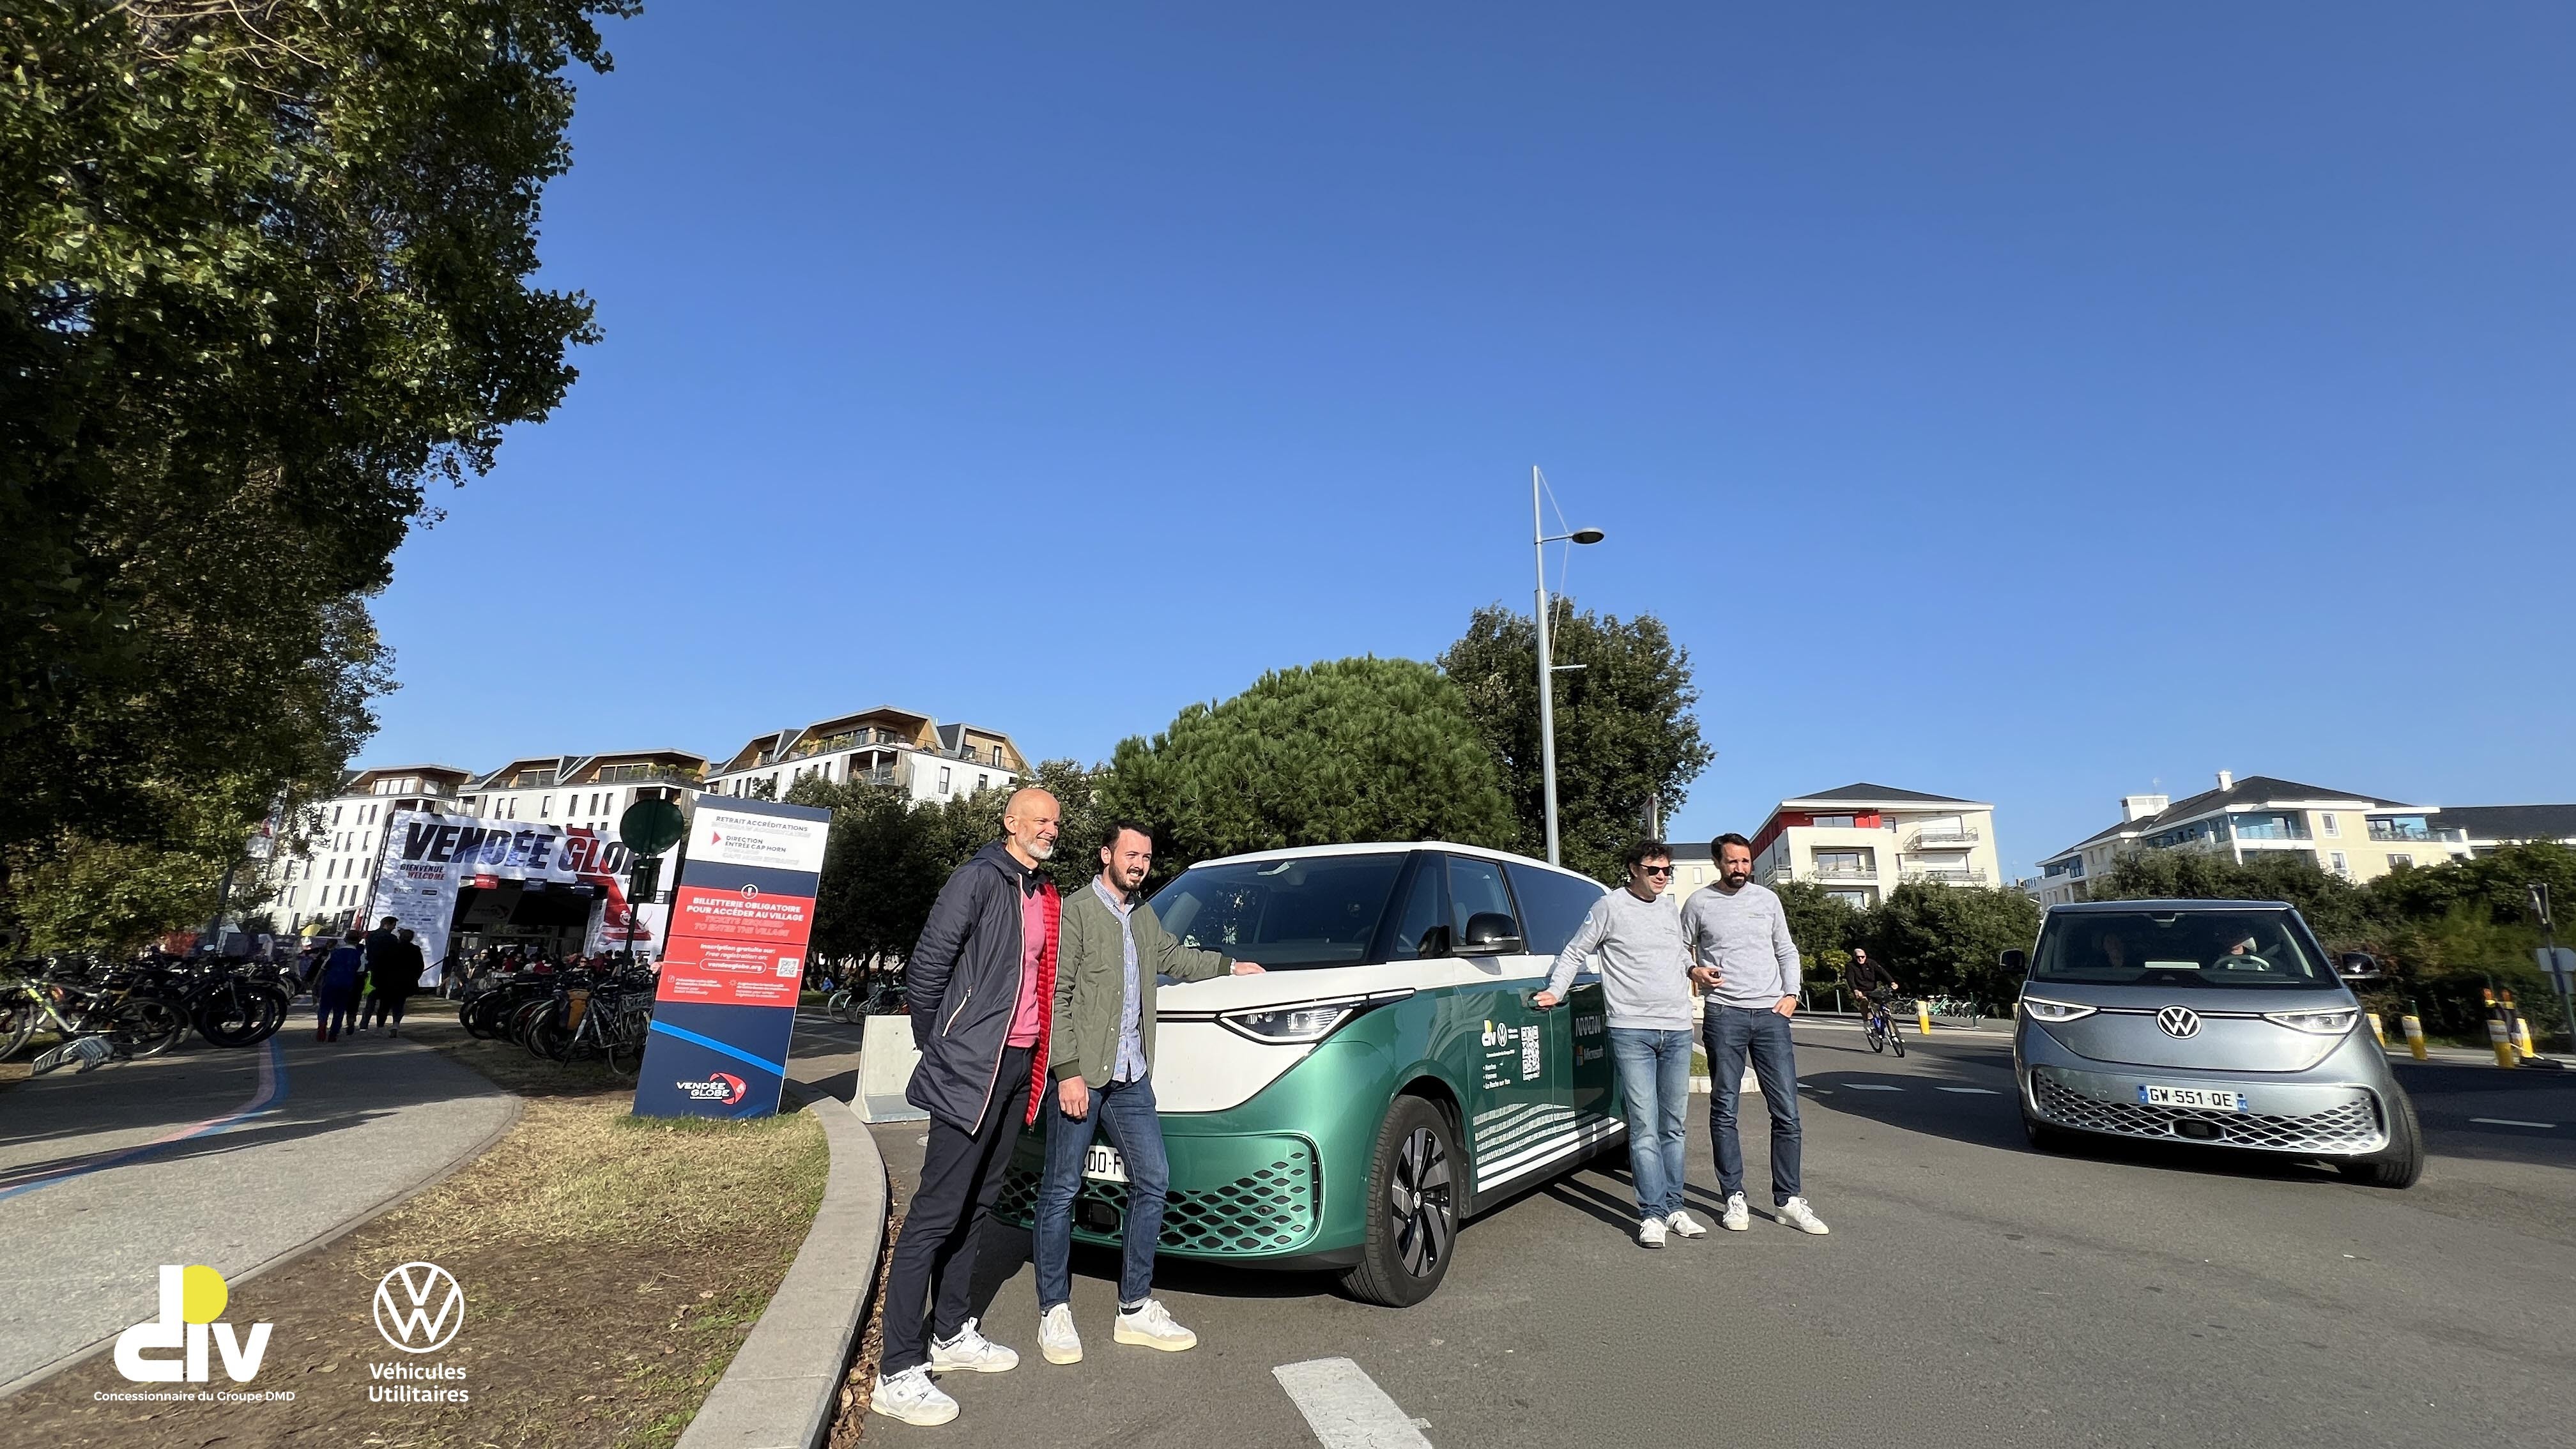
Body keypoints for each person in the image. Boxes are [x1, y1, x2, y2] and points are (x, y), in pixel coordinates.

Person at [1034, 820, 1264, 1366]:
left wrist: (1230, 966)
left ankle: (1134, 1307)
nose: (1140, 864)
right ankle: (1053, 1309)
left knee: (1154, 1180)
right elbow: (1057, 997)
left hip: (1132, 1078)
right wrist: (1065, 1071)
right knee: (1062, 1188)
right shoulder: (1077, 912)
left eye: (1147, 858)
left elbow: (1175, 959)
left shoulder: (1143, 914)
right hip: (1084, 1076)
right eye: (1132, 854)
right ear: (1106, 854)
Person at [871, 788, 1063, 1429]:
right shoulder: (978, 879)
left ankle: (951, 1332)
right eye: (1039, 819)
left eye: (1056, 822)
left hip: (1017, 1068)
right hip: (969, 1069)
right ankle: (896, 1369)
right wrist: (945, 1045)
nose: (1050, 829)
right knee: (935, 1213)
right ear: (1010, 822)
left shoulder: (1039, 891)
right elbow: (927, 970)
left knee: (980, 1205)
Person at [1533, 838, 1705, 1248]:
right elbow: (1575, 952)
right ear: (1633, 869)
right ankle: (1652, 1214)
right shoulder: (1609, 907)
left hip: (1678, 1029)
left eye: (1667, 871)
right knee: (1644, 1125)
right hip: (1631, 1030)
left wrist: (1695, 970)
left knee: (1674, 1126)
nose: (1662, 877)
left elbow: (1678, 954)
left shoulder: (1668, 908)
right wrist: (1557, 991)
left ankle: (1676, 1207)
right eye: (1654, 870)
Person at [1680, 833, 1828, 1236]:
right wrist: (1693, 970)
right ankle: (1734, 1196)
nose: (1740, 869)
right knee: (1725, 1107)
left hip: (1770, 1015)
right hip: (1724, 1013)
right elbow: (1678, 948)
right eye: (1733, 862)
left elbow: (1786, 949)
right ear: (1718, 863)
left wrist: (1792, 994)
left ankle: (1788, 1200)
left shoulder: (1768, 900)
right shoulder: (1698, 903)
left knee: (1787, 1112)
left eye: (1746, 862)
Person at [315, 930, 366, 1042]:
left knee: (324, 1007)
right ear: (359, 941)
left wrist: (316, 983)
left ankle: (322, 1025)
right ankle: (333, 1033)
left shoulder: (334, 953)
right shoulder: (360, 956)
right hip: (346, 985)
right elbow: (360, 972)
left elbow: (323, 968)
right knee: (339, 1010)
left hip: (330, 983)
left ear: (345, 940)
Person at [1846, 947, 1902, 1028]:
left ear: (1866, 956)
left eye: (1862, 957)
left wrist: (1892, 982)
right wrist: (1855, 990)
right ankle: (1867, 1021)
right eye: (1858, 957)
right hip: (1861, 990)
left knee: (1885, 1008)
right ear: (1854, 957)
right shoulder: (1850, 966)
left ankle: (1893, 1032)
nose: (1861, 959)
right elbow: (1850, 979)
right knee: (1864, 1002)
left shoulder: (1871, 963)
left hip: (1873, 989)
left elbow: (1883, 972)